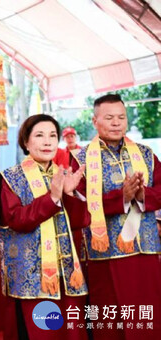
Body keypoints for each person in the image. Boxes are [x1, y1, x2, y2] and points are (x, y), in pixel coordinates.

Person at [71, 93, 161, 340]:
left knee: (148, 317)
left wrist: (142, 195)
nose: (116, 123)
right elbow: (78, 205)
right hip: (106, 254)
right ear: (95, 121)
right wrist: (120, 197)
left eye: (121, 117)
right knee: (111, 321)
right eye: (109, 117)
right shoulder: (80, 160)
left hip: (146, 250)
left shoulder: (145, 154)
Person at [0, 114, 90, 340]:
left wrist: (70, 194)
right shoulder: (9, 178)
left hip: (66, 273)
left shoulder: (62, 174)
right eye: (39, 135)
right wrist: (53, 198)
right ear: (26, 142)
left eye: (52, 136)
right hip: (32, 277)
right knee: (43, 332)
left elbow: (79, 222)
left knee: (70, 332)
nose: (47, 141)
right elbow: (17, 220)